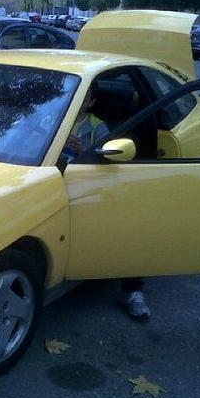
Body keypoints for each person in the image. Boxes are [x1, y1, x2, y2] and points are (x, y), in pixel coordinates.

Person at [62, 86, 151, 320]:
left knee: (129, 229)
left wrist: (85, 150)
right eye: (75, 95)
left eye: (84, 97)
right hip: (53, 182)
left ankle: (132, 290)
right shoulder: (56, 118)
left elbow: (108, 158)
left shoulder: (96, 126)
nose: (78, 100)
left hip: (88, 186)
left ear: (90, 103)